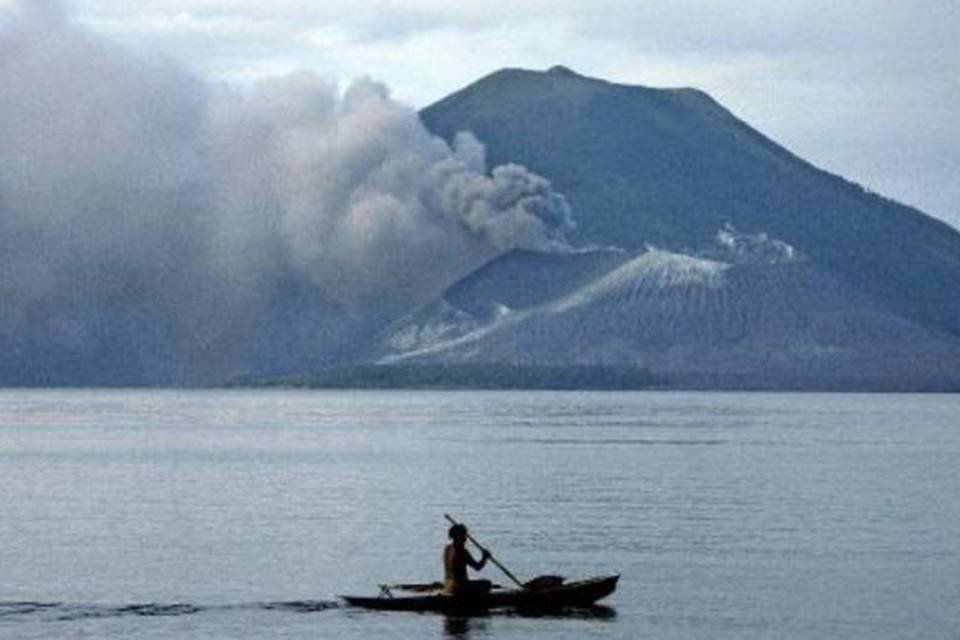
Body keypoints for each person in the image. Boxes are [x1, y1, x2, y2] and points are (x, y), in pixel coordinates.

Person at [443, 523, 492, 597]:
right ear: (459, 537)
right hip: (460, 587)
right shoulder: (462, 551)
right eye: (464, 536)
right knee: (487, 583)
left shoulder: (448, 549)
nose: (466, 538)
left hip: (448, 584)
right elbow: (477, 567)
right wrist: (484, 557)